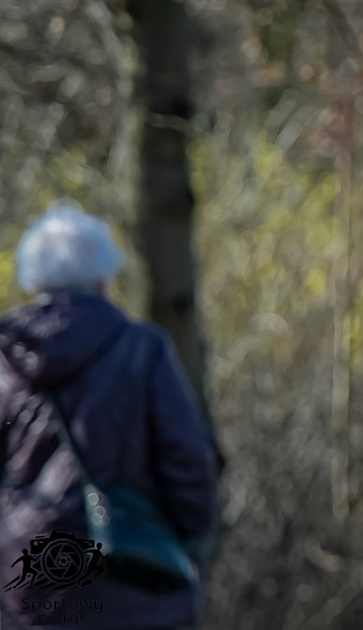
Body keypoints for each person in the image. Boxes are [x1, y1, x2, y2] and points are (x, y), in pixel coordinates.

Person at [0, 203, 218, 630]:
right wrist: (192, 536)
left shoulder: (6, 359)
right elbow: (187, 460)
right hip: (128, 573)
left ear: (34, 279)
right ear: (104, 279)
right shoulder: (142, 349)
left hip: (24, 579)